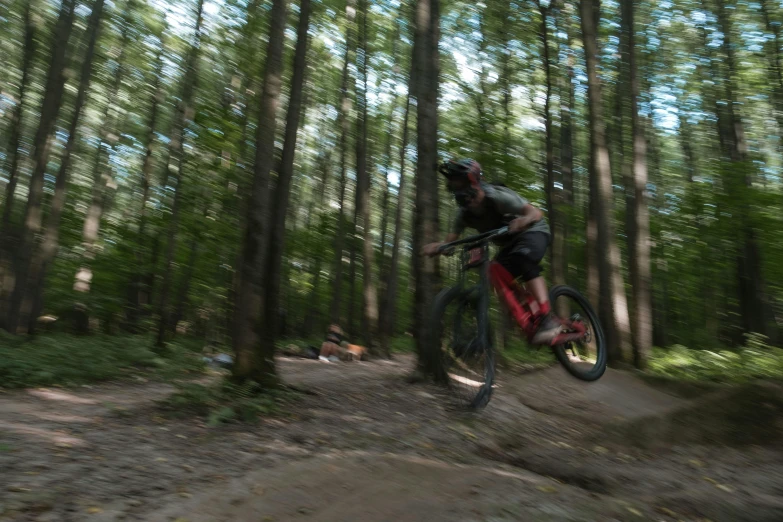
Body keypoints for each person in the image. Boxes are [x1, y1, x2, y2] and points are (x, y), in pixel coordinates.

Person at [421, 158, 562, 345]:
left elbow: (535, 214)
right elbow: (451, 240)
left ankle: (546, 317)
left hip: (534, 231)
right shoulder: (464, 214)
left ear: (472, 180)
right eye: (453, 185)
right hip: (509, 244)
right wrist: (438, 247)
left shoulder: (498, 197)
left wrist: (522, 221)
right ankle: (526, 314)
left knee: (524, 259)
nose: (456, 188)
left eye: (459, 182)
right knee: (493, 270)